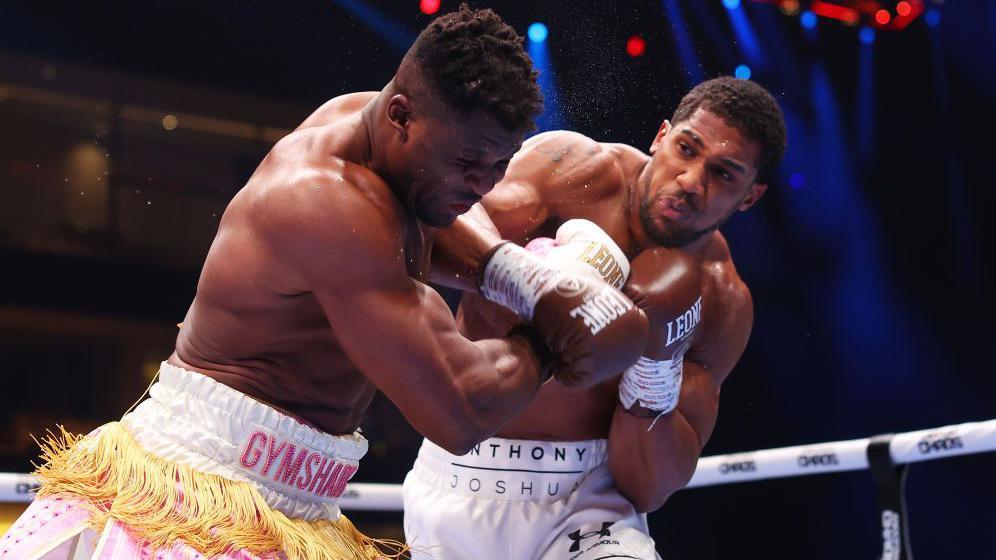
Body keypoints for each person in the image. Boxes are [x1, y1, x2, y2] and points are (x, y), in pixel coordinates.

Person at [0, 6, 648, 560]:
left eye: (499, 166)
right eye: (467, 162)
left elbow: (447, 221)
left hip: (301, 505)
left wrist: (525, 276)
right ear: (399, 117)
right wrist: (554, 333)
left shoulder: (379, 142)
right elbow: (458, 410)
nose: (482, 186)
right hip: (195, 491)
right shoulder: (328, 204)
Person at [403, 76, 788, 559]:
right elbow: (439, 221)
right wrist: (531, 280)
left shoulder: (720, 297)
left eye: (724, 174)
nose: (691, 181)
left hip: (590, 504)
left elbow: (650, 488)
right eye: (686, 149)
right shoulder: (574, 170)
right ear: (661, 136)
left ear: (749, 196)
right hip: (459, 473)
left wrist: (657, 365)